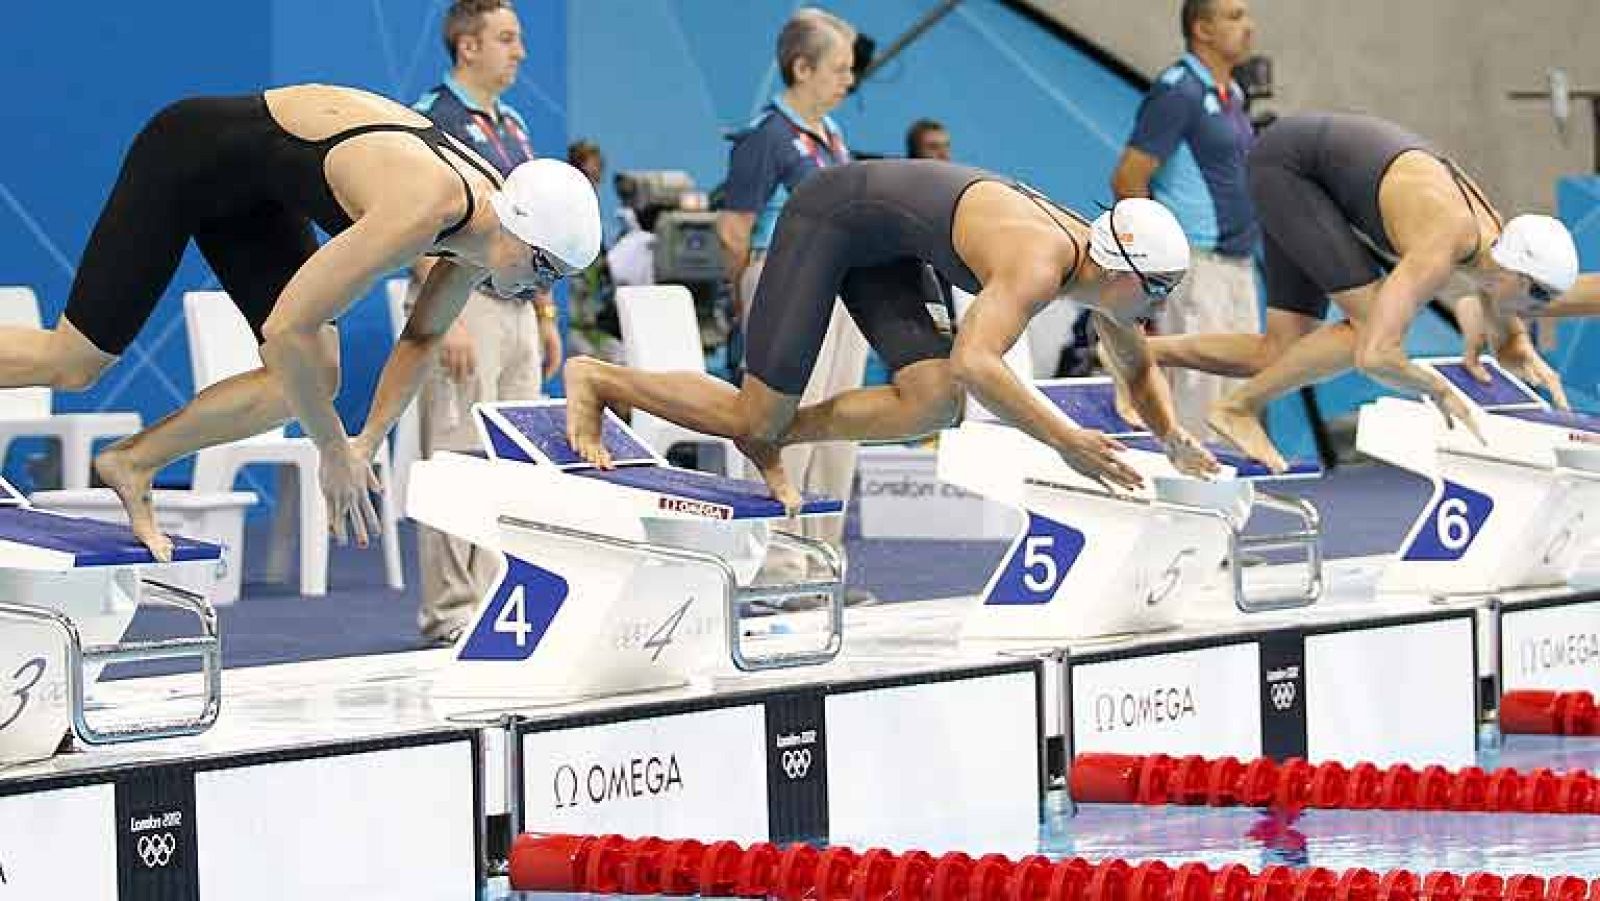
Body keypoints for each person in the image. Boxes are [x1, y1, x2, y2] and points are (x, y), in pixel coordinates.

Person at [21, 83, 598, 560]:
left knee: (309, 381)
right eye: (543, 268)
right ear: (519, 231)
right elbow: (286, 330)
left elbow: (423, 335)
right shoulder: (425, 209)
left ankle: (130, 462)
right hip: (186, 155)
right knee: (74, 364)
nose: (539, 288)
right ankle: (128, 449)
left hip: (257, 197)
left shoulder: (485, 232)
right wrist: (332, 451)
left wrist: (365, 441)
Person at [565, 159, 1220, 504]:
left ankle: (773, 434)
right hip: (832, 215)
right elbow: (976, 361)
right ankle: (597, 379)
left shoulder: (1103, 269)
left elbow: (1135, 365)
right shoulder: (1041, 261)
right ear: (1125, 274)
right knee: (753, 410)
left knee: (932, 403)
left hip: (893, 245)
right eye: (1159, 290)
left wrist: (1175, 438)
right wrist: (1065, 440)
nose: (1160, 303)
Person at [1114, 112, 1578, 472]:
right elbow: (1375, 356)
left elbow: (1493, 295)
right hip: (1292, 169)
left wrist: (1512, 344)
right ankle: (1238, 407)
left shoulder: (1493, 243)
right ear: (1518, 275)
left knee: (1278, 351)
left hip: (1300, 167)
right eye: (1540, 297)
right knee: (1366, 331)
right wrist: (1438, 389)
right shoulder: (1447, 238)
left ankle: (1136, 350)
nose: (1543, 310)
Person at [408, 0, 564, 644]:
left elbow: (535, 225)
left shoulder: (515, 126)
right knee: (457, 457)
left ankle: (502, 596)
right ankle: (451, 609)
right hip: (460, 298)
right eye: (506, 38)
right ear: (467, 48)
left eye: (519, 38)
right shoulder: (428, 121)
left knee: (516, 460)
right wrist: (446, 321)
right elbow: (411, 225)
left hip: (518, 304)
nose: (519, 51)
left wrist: (546, 311)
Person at [717, 7, 866, 585]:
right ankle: (780, 565)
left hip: (841, 286)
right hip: (785, 281)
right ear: (802, 68)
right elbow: (734, 232)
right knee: (785, 422)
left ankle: (823, 562)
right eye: (839, 69)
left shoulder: (831, 136)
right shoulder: (766, 137)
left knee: (838, 423)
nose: (848, 82)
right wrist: (747, 298)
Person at [1110, 0, 1260, 441]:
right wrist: (1155, 266)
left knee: (1238, 392)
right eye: (1234, 16)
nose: (1249, 27)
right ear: (1203, 30)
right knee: (1198, 391)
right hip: (1196, 264)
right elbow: (1127, 179)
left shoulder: (1234, 93)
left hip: (1239, 262)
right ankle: (1186, 492)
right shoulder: (1179, 92)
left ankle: (1226, 495)